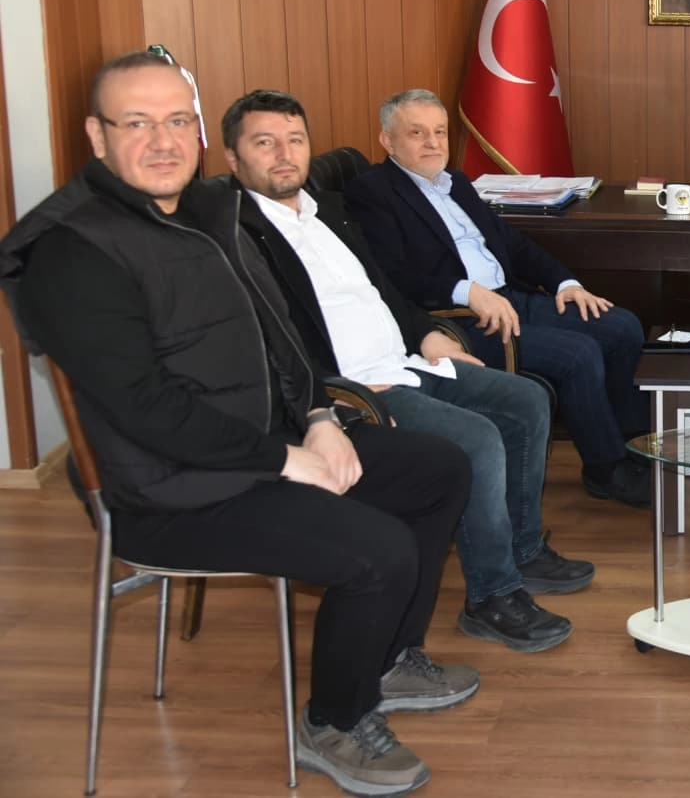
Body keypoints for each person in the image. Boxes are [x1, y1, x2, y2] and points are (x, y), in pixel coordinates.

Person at [0, 53, 477, 798]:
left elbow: (279, 334)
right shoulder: (73, 250)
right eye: (137, 123)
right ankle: (333, 721)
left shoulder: (206, 212)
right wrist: (282, 459)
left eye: (177, 121)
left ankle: (385, 659)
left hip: (251, 449)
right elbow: (144, 409)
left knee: (438, 468)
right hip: (167, 492)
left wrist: (318, 416)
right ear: (97, 136)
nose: (163, 141)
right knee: (378, 550)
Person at [223, 90, 593, 655]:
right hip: (354, 387)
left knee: (526, 400)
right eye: (264, 143)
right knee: (477, 437)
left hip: (406, 358)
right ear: (233, 158)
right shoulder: (236, 236)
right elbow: (260, 337)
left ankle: (523, 550)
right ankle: (492, 596)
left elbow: (385, 287)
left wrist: (426, 332)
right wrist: (326, 392)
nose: (283, 154)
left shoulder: (328, 212)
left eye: (294, 140)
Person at [344, 88, 651, 508]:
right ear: (388, 141)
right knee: (578, 355)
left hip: (511, 298)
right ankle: (606, 469)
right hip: (462, 319)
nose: (433, 143)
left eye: (439, 132)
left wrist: (566, 284)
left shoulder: (457, 183)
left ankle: (634, 447)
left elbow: (512, 244)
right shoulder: (373, 192)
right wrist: (466, 291)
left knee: (622, 326)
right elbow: (389, 275)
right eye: (417, 133)